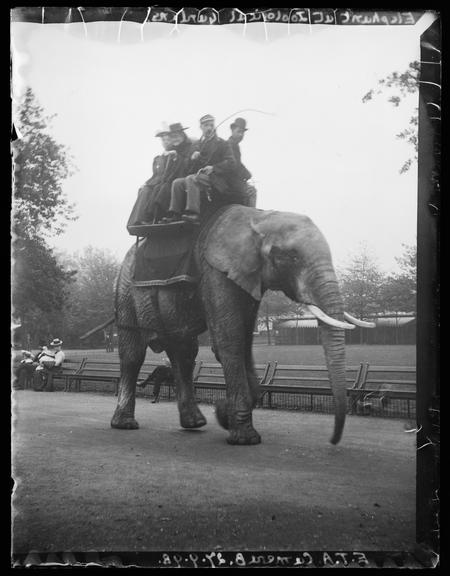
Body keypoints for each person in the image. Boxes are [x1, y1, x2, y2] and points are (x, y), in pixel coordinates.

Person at [163, 114, 237, 224]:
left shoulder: (222, 144)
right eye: (206, 125)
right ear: (201, 127)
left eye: (211, 125)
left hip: (215, 179)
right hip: (199, 177)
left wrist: (213, 168)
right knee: (177, 182)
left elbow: (231, 163)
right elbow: (188, 167)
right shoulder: (196, 145)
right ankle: (174, 213)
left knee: (191, 179)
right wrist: (192, 159)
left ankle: (193, 213)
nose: (209, 128)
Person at [126, 123, 177, 229]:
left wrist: (173, 157)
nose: (166, 142)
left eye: (168, 139)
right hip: (156, 181)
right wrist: (146, 183)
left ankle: (151, 218)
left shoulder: (175, 155)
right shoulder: (158, 159)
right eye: (163, 140)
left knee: (156, 189)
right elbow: (155, 175)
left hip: (167, 182)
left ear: (172, 140)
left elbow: (175, 172)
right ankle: (138, 220)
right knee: (144, 190)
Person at [151, 123, 195, 223]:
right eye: (172, 137)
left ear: (182, 135)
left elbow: (190, 166)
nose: (175, 139)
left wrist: (177, 158)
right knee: (160, 187)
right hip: (176, 177)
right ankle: (156, 217)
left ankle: (172, 214)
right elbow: (170, 171)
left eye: (177, 136)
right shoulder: (174, 149)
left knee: (168, 186)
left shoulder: (191, 147)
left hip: (188, 176)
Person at [228, 117, 257, 207]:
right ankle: (251, 215)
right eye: (239, 131)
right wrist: (246, 174)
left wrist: (246, 173)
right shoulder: (230, 145)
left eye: (243, 132)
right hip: (230, 180)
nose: (241, 134)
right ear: (232, 130)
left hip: (233, 179)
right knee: (252, 191)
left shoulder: (234, 145)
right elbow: (234, 165)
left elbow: (238, 163)